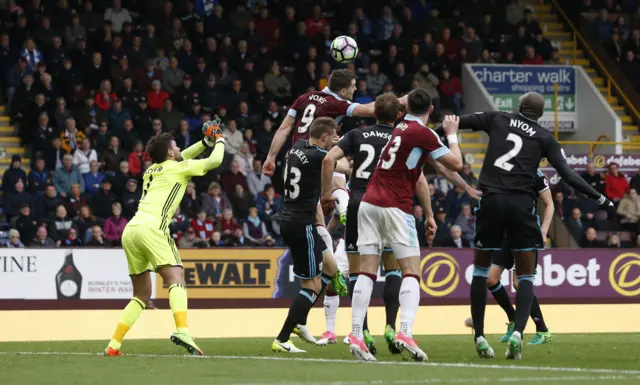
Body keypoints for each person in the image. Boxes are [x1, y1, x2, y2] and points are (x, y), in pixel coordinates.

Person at [450, 92, 614, 360]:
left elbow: (457, 121)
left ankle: (480, 336)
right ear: (541, 115)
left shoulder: (498, 118)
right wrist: (601, 198)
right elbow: (569, 175)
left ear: (519, 107)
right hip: (521, 208)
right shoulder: (545, 138)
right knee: (525, 277)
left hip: (491, 203)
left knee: (481, 271)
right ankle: (518, 333)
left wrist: (423, 134)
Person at [318, 93, 478, 351]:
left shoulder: (379, 133)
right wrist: (452, 134)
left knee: (364, 272)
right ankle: (401, 330)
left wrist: (327, 194)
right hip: (395, 205)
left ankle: (358, 333)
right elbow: (446, 167)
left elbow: (329, 160)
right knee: (408, 271)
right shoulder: (418, 133)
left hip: (363, 203)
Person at [104, 119, 226, 356]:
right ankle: (182, 330)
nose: (180, 149)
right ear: (170, 152)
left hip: (132, 230)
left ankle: (114, 344)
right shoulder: (179, 168)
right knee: (176, 277)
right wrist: (219, 139)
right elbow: (215, 161)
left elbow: (181, 155)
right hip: (153, 229)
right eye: (176, 146)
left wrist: (204, 142)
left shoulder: (152, 170)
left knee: (140, 295)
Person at [271, 117, 349, 354]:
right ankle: (283, 337)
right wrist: (346, 150)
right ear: (325, 137)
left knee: (330, 268)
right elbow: (343, 166)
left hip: (290, 218)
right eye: (332, 138)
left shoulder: (297, 147)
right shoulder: (319, 157)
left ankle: (301, 322)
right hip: (302, 223)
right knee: (312, 285)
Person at [478, 170, 554, 346]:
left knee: (519, 283)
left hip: (525, 234)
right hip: (504, 235)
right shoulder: (502, 171)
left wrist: (543, 230)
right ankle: (512, 319)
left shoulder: (535, 174)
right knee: (490, 278)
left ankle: (542, 330)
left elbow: (549, 203)